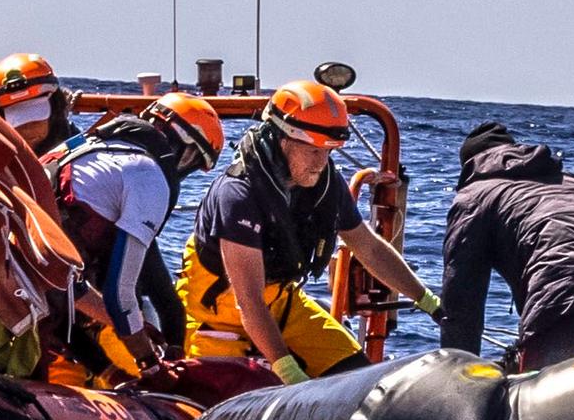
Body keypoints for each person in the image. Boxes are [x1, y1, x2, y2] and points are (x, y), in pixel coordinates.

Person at [179, 79, 439, 384]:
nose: (321, 163)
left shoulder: (327, 186)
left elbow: (368, 247)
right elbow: (247, 300)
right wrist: (291, 376)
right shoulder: (238, 195)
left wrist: (429, 302)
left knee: (362, 381)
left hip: (283, 304)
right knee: (233, 395)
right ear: (281, 139)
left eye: (328, 152)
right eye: (313, 150)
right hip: (218, 315)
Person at [441, 122, 574, 371]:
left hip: (560, 301)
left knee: (549, 403)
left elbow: (462, 298)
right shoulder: (573, 182)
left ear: (469, 165)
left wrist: (458, 375)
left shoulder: (474, 196)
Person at [44, 92, 223, 375]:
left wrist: (156, 344)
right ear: (184, 148)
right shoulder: (148, 176)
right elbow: (118, 294)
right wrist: (149, 365)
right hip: (41, 298)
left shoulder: (85, 149)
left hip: (26, 285)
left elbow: (57, 283)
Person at [0, 52, 76, 155]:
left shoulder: (83, 156)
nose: (28, 129)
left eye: (36, 115)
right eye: (17, 119)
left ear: (54, 110)